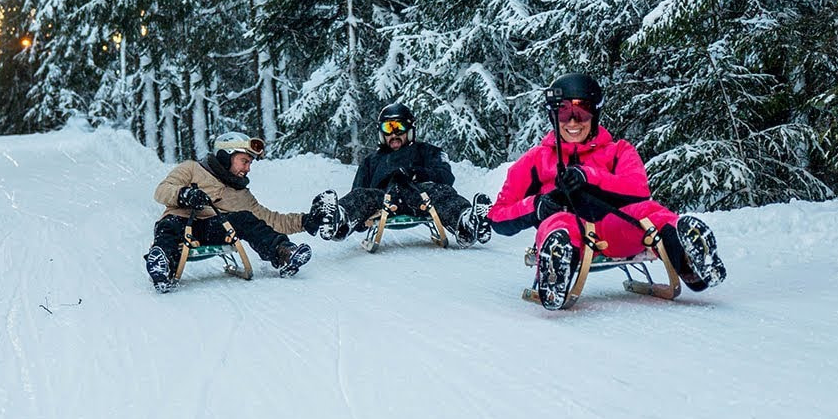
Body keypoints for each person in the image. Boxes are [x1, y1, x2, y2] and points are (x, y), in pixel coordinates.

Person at [487, 73, 726, 310]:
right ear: (553, 116)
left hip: (612, 230)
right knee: (560, 223)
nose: (572, 121)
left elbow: (638, 189)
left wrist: (588, 177)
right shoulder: (535, 161)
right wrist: (536, 206)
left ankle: (689, 260)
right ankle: (556, 271)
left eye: (581, 111)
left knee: (647, 212)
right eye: (564, 112)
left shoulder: (618, 151)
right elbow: (497, 216)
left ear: (595, 114)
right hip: (568, 230)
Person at [302, 103, 492, 248]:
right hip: (383, 201)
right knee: (361, 196)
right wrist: (362, 221)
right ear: (381, 133)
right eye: (387, 128)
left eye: (398, 127)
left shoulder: (427, 151)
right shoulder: (371, 161)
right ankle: (338, 220)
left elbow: (446, 177)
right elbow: (357, 193)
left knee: (441, 191)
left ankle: (468, 223)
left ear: (409, 129)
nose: (393, 134)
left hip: (421, 196)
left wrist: (418, 173)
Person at [145, 132, 312, 292]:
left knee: (244, 219)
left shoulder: (241, 194)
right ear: (226, 156)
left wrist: (306, 221)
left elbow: (271, 220)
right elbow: (162, 191)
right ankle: (162, 266)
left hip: (212, 227)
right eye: (244, 161)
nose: (248, 169)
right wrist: (185, 194)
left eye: (250, 163)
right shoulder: (191, 168)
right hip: (180, 222)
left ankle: (284, 254)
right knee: (168, 226)